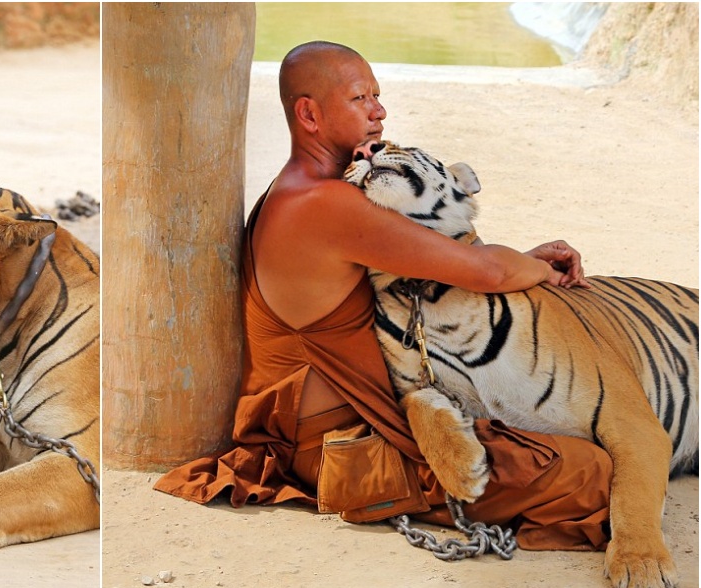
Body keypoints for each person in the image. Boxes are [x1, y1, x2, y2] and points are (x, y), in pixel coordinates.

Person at [155, 41, 612, 551]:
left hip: (348, 430)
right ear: (308, 113)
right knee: (588, 471)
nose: (379, 111)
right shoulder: (322, 204)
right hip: (340, 449)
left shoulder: (306, 189)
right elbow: (484, 270)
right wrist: (538, 268)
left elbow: (446, 262)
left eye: (377, 94)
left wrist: (522, 259)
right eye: (359, 99)